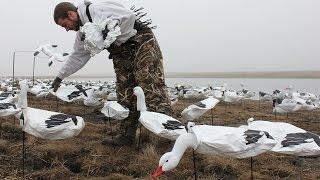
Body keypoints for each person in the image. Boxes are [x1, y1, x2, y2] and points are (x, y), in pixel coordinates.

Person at [52, 0, 173, 146]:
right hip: (121, 53)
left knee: (151, 87)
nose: (66, 29)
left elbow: (128, 16)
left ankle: (167, 137)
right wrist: (60, 76)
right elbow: (77, 57)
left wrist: (109, 29)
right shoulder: (83, 33)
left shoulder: (96, 9)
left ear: (71, 15)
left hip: (141, 43)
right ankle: (126, 136)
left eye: (64, 25)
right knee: (125, 93)